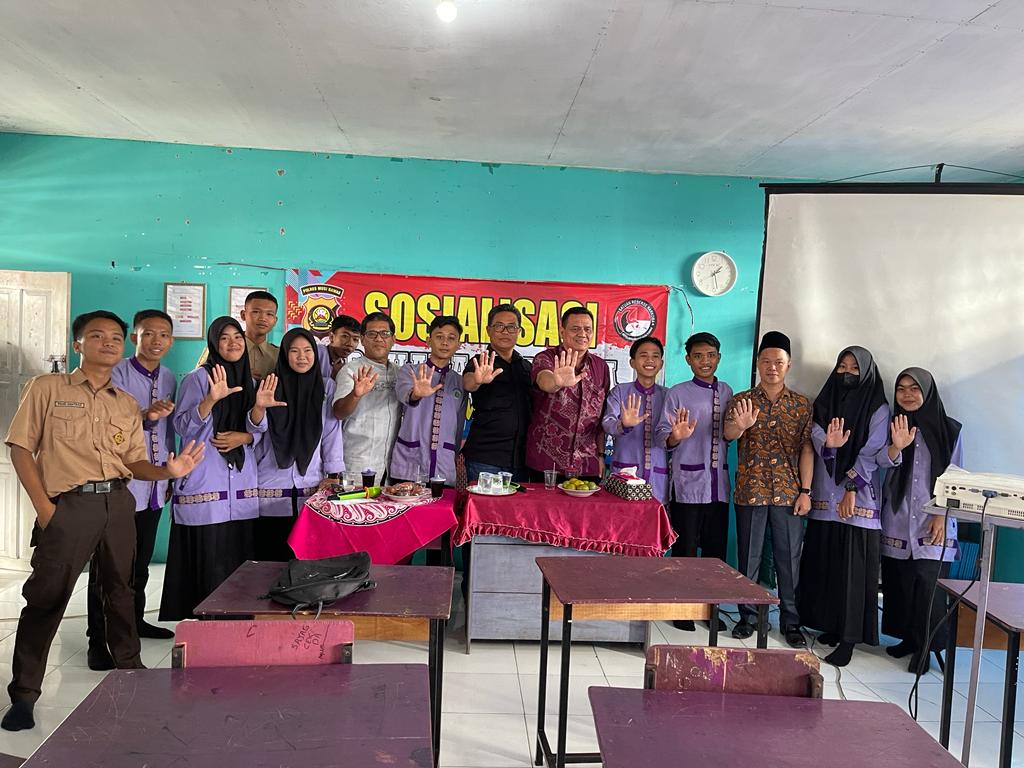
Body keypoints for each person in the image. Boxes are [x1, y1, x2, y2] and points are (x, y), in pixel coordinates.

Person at [2, 310, 204, 731]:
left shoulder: (125, 403)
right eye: (97, 335)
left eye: (114, 336)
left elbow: (133, 462)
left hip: (118, 504)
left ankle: (130, 669)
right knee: (47, 598)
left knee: (121, 593)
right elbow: (20, 448)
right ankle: (24, 695)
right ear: (78, 344)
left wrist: (168, 471)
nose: (108, 342)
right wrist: (46, 509)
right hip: (69, 507)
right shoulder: (46, 388)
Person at [159, 316, 280, 621]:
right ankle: (206, 624)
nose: (233, 343)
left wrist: (248, 430)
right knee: (208, 558)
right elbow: (183, 426)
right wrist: (210, 401)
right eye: (224, 338)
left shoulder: (251, 382)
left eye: (237, 337)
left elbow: (259, 431)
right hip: (206, 479)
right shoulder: (197, 379)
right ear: (214, 343)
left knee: (238, 559)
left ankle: (237, 623)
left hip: (241, 485)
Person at [86, 310, 177, 671]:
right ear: (135, 338)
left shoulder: (169, 377)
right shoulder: (117, 373)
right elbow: (108, 425)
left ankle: (134, 623)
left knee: (140, 564)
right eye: (148, 333)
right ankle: (97, 639)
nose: (156, 341)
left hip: (154, 485)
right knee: (107, 568)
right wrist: (145, 416)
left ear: (171, 341)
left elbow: (168, 432)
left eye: (164, 335)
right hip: (120, 485)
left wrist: (168, 477)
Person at [799, 346, 889, 667]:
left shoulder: (878, 407)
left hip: (858, 499)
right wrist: (828, 442)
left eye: (854, 368)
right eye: (843, 366)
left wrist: (851, 487)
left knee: (853, 573)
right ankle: (832, 626)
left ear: (866, 372)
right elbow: (814, 429)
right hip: (825, 494)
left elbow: (872, 450)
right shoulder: (826, 399)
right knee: (828, 567)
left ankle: (849, 639)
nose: (847, 372)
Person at [725, 331, 813, 648]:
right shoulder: (742, 400)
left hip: (789, 493)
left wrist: (806, 491)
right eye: (766, 361)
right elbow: (728, 434)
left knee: (789, 560)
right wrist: (741, 426)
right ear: (758, 364)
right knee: (748, 558)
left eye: (778, 362)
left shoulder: (801, 405)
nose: (771, 367)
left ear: (788, 365)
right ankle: (747, 617)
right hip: (751, 490)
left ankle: (791, 622)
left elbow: (807, 449)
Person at [879, 368, 962, 674]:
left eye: (914, 388)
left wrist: (941, 515)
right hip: (898, 518)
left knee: (929, 588)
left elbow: (955, 476)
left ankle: (926, 647)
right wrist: (896, 446)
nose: (907, 395)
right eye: (901, 389)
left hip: (933, 521)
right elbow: (880, 462)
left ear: (927, 391)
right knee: (900, 584)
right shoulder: (892, 425)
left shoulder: (950, 429)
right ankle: (908, 639)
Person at [655, 332, 733, 631]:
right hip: (687, 484)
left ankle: (711, 609)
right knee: (685, 550)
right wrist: (676, 436)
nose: (705, 361)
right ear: (688, 360)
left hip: (717, 486)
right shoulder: (677, 393)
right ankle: (682, 609)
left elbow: (730, 432)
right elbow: (662, 435)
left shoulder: (727, 391)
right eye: (698, 356)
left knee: (715, 553)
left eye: (710, 355)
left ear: (719, 358)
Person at [255, 328, 345, 561]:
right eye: (294, 351)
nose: (302, 357)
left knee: (306, 562)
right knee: (269, 561)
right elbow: (256, 431)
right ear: (285, 355)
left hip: (311, 489)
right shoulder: (269, 385)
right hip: (270, 488)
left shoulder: (326, 387)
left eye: (307, 351)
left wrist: (333, 474)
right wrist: (260, 408)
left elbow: (331, 432)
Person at [526, 307, 610, 482]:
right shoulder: (546, 358)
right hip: (547, 463)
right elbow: (544, 380)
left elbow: (601, 417)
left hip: (587, 464)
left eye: (587, 329)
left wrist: (601, 455)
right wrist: (557, 382)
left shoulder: (601, 367)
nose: (582, 334)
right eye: (575, 328)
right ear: (562, 332)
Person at [461, 303, 533, 484]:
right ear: (489, 330)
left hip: (521, 460)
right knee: (484, 503)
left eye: (511, 327)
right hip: (485, 459)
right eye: (499, 326)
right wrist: (477, 379)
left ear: (519, 331)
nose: (505, 332)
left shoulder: (526, 367)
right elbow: (468, 383)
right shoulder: (480, 362)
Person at [391, 316, 466, 485]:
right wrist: (416, 394)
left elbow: (459, 426)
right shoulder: (410, 371)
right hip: (409, 465)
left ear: (458, 345)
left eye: (451, 338)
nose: (445, 342)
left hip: (444, 466)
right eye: (439, 337)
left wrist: (453, 455)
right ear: (428, 341)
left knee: (442, 503)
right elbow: (404, 395)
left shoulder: (459, 382)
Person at [332, 312, 401, 485]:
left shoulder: (400, 373)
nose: (379, 339)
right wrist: (355, 395)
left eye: (385, 333)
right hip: (357, 463)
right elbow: (339, 412)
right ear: (362, 339)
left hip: (392, 467)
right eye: (372, 334)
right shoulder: (351, 370)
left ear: (393, 339)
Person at [603, 337, 669, 502]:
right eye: (643, 355)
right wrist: (623, 425)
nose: (650, 360)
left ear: (661, 363)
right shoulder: (619, 391)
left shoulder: (668, 395)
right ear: (632, 362)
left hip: (657, 476)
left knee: (654, 516)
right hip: (624, 475)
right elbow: (608, 423)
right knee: (622, 516)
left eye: (655, 356)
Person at [196, 290, 280, 380]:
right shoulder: (220, 348)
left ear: (275, 320)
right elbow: (200, 378)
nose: (263, 318)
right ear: (243, 315)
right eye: (256, 312)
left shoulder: (279, 354)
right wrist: (237, 374)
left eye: (269, 314)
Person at [321, 314, 361, 381]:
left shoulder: (344, 365)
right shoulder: (316, 353)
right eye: (345, 336)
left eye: (355, 339)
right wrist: (334, 375)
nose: (350, 344)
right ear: (331, 337)